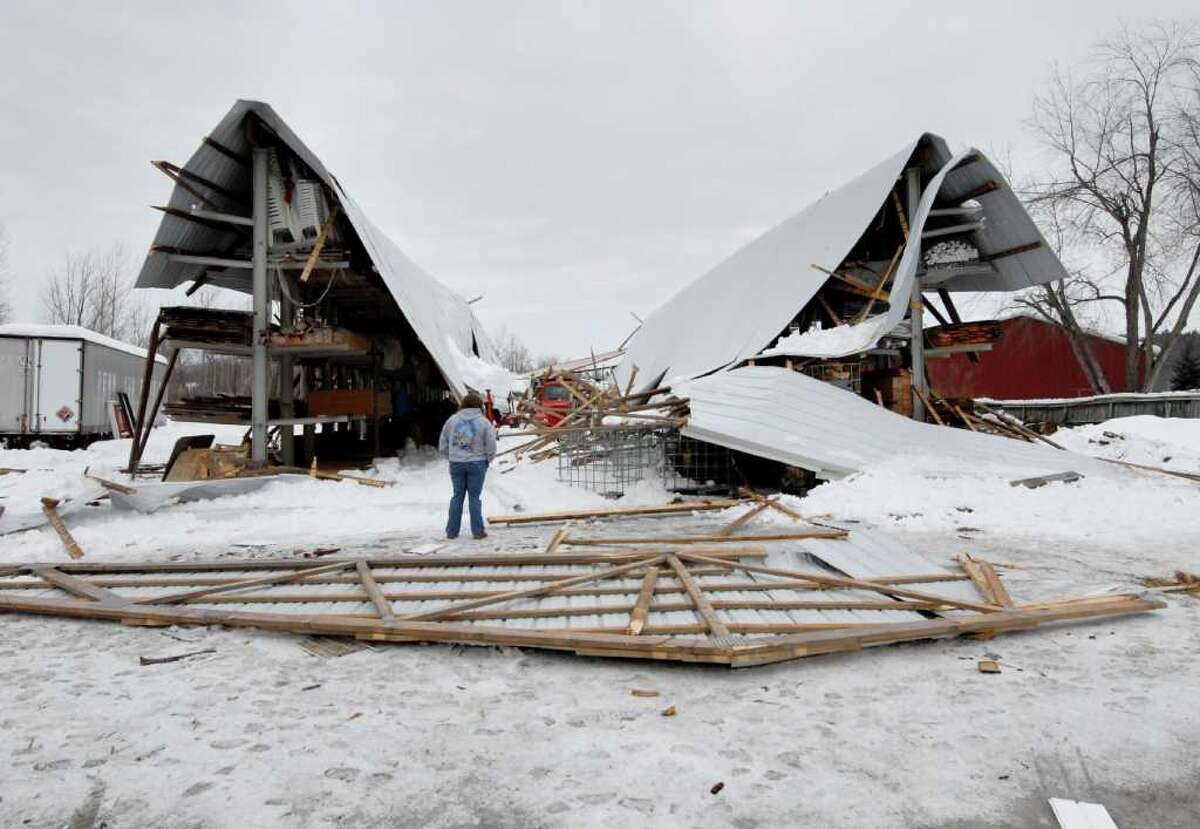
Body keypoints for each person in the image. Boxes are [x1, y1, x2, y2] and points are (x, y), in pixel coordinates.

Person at [438, 391, 497, 539]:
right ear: (479, 406)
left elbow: (443, 443)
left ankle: (451, 531)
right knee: (474, 498)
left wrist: (451, 456)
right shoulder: (484, 422)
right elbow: (491, 444)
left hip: (456, 463)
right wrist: (488, 459)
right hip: (477, 463)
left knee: (457, 496)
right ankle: (478, 531)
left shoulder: (452, 420)